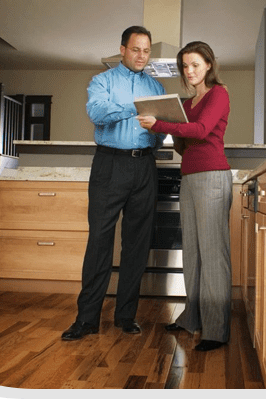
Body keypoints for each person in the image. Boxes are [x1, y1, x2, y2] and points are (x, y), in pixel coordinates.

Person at [62, 26, 166, 341]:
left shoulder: (156, 86)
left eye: (146, 51)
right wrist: (135, 106)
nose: (141, 56)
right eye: (136, 49)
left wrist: (155, 135)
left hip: (145, 165)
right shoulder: (102, 81)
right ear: (122, 49)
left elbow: (160, 130)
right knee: (100, 242)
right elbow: (97, 112)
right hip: (110, 164)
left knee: (137, 244)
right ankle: (87, 319)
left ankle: (125, 316)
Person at [137, 41, 232, 351]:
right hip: (190, 178)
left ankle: (216, 330)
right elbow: (183, 145)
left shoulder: (219, 93)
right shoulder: (188, 104)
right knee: (192, 252)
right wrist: (170, 129)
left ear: (208, 65)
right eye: (184, 67)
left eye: (194, 64)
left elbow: (203, 131)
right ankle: (192, 318)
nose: (189, 71)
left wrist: (161, 124)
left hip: (212, 177)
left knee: (213, 253)